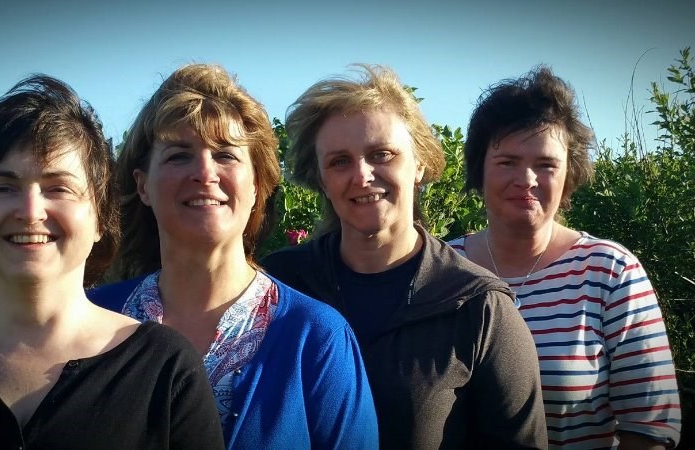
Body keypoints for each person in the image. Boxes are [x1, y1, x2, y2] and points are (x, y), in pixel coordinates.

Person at [0, 75, 224, 449]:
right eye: (3, 187)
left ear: (101, 218)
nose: (30, 211)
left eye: (58, 188)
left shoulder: (164, 369)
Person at [87, 64, 378, 449]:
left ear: (257, 184)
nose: (204, 173)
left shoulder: (316, 337)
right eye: (178, 156)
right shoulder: (89, 320)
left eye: (225, 155)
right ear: (142, 185)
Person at [261, 64, 548, 449]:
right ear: (322, 180)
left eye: (381, 154)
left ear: (420, 164)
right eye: (339, 161)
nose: (362, 175)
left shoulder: (478, 308)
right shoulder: (277, 287)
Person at [446, 66, 681, 449]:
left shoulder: (610, 272)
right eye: (507, 162)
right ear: (479, 168)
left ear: (569, 173)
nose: (527, 179)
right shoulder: (442, 269)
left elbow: (650, 426)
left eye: (546, 164)